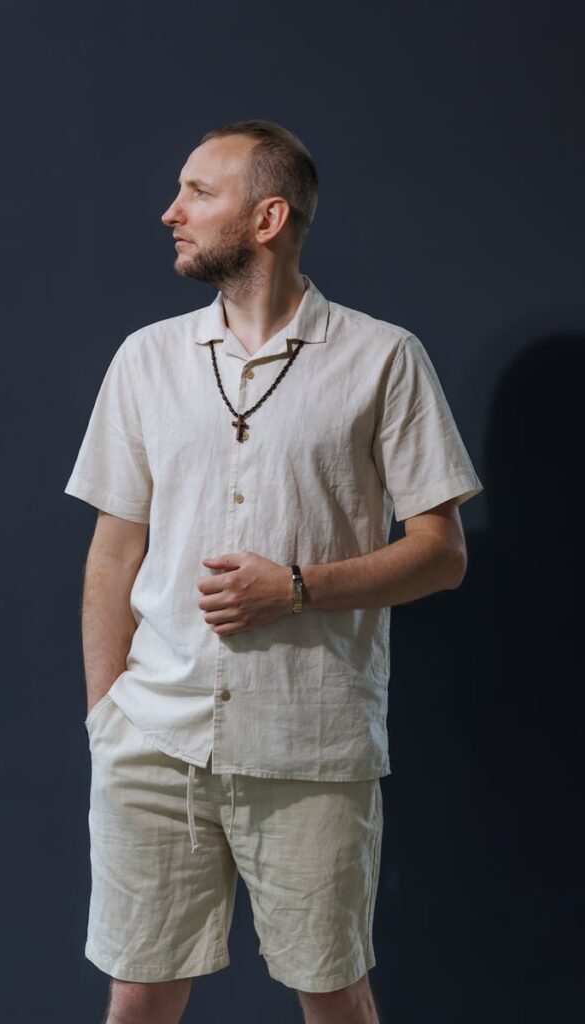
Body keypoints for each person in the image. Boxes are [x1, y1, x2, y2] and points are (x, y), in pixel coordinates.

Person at [64, 119, 484, 1024]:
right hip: (153, 737)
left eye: (197, 194)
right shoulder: (145, 360)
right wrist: (107, 716)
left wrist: (293, 587)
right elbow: (113, 550)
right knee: (137, 994)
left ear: (267, 217)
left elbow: (441, 553)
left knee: (331, 993)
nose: (170, 212)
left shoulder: (382, 359)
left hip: (311, 742)